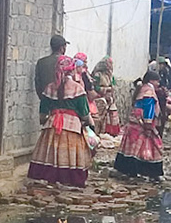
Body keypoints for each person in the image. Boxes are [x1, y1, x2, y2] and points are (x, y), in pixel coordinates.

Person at [27, 54, 92, 188]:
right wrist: (88, 123)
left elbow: (43, 112)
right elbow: (85, 113)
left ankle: (50, 178)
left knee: (50, 153)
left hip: (52, 124)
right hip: (72, 127)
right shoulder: (77, 89)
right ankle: (69, 179)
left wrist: (44, 121)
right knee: (70, 154)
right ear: (72, 69)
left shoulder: (49, 88)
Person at [112, 63, 165, 181]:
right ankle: (151, 173)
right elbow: (149, 110)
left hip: (134, 124)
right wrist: (148, 125)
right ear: (152, 81)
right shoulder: (149, 93)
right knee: (153, 146)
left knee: (131, 148)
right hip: (143, 124)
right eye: (157, 81)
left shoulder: (141, 89)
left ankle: (127, 170)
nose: (158, 84)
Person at [90, 57, 120, 135]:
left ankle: (110, 132)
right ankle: (99, 132)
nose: (111, 66)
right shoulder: (97, 74)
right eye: (109, 64)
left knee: (112, 111)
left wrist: (111, 93)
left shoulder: (110, 75)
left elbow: (113, 86)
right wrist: (105, 90)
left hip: (109, 97)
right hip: (99, 97)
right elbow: (95, 87)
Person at [33, 34, 69, 98]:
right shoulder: (68, 62)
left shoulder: (41, 62)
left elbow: (38, 84)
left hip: (46, 100)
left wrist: (43, 98)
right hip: (64, 102)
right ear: (62, 48)